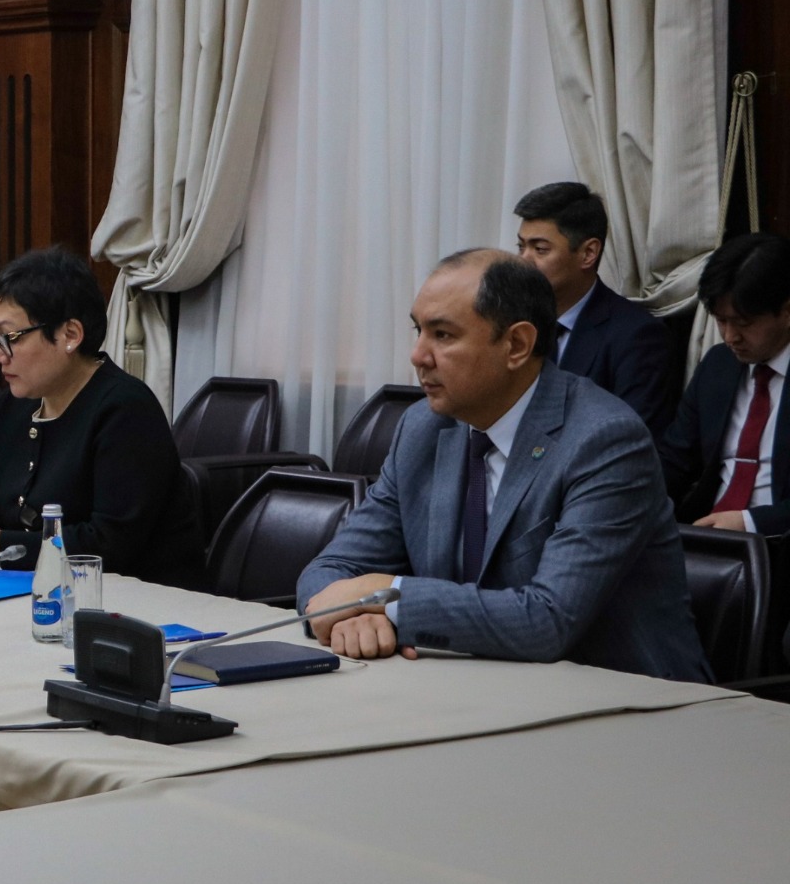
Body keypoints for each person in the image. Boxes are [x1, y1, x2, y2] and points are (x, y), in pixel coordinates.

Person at [297, 249, 710, 683]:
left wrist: (387, 595)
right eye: (419, 331)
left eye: (443, 335)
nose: (418, 355)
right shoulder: (422, 429)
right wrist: (354, 618)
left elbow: (548, 621)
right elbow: (330, 572)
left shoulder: (604, 440)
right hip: (478, 685)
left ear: (516, 345)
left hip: (628, 696)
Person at [0, 248, 206, 588]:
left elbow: (107, 546)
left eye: (9, 338)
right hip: (37, 591)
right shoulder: (14, 405)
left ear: (70, 335)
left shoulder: (126, 409)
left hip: (136, 601)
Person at [513, 181, 675, 432]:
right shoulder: (511, 321)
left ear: (588, 253)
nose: (523, 261)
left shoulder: (636, 336)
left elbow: (630, 438)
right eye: (521, 247)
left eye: (540, 249)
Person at [658, 232, 790, 535]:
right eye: (721, 321)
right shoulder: (719, 365)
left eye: (743, 323)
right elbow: (674, 461)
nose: (730, 337)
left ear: (786, 312)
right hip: (707, 532)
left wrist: (751, 523)